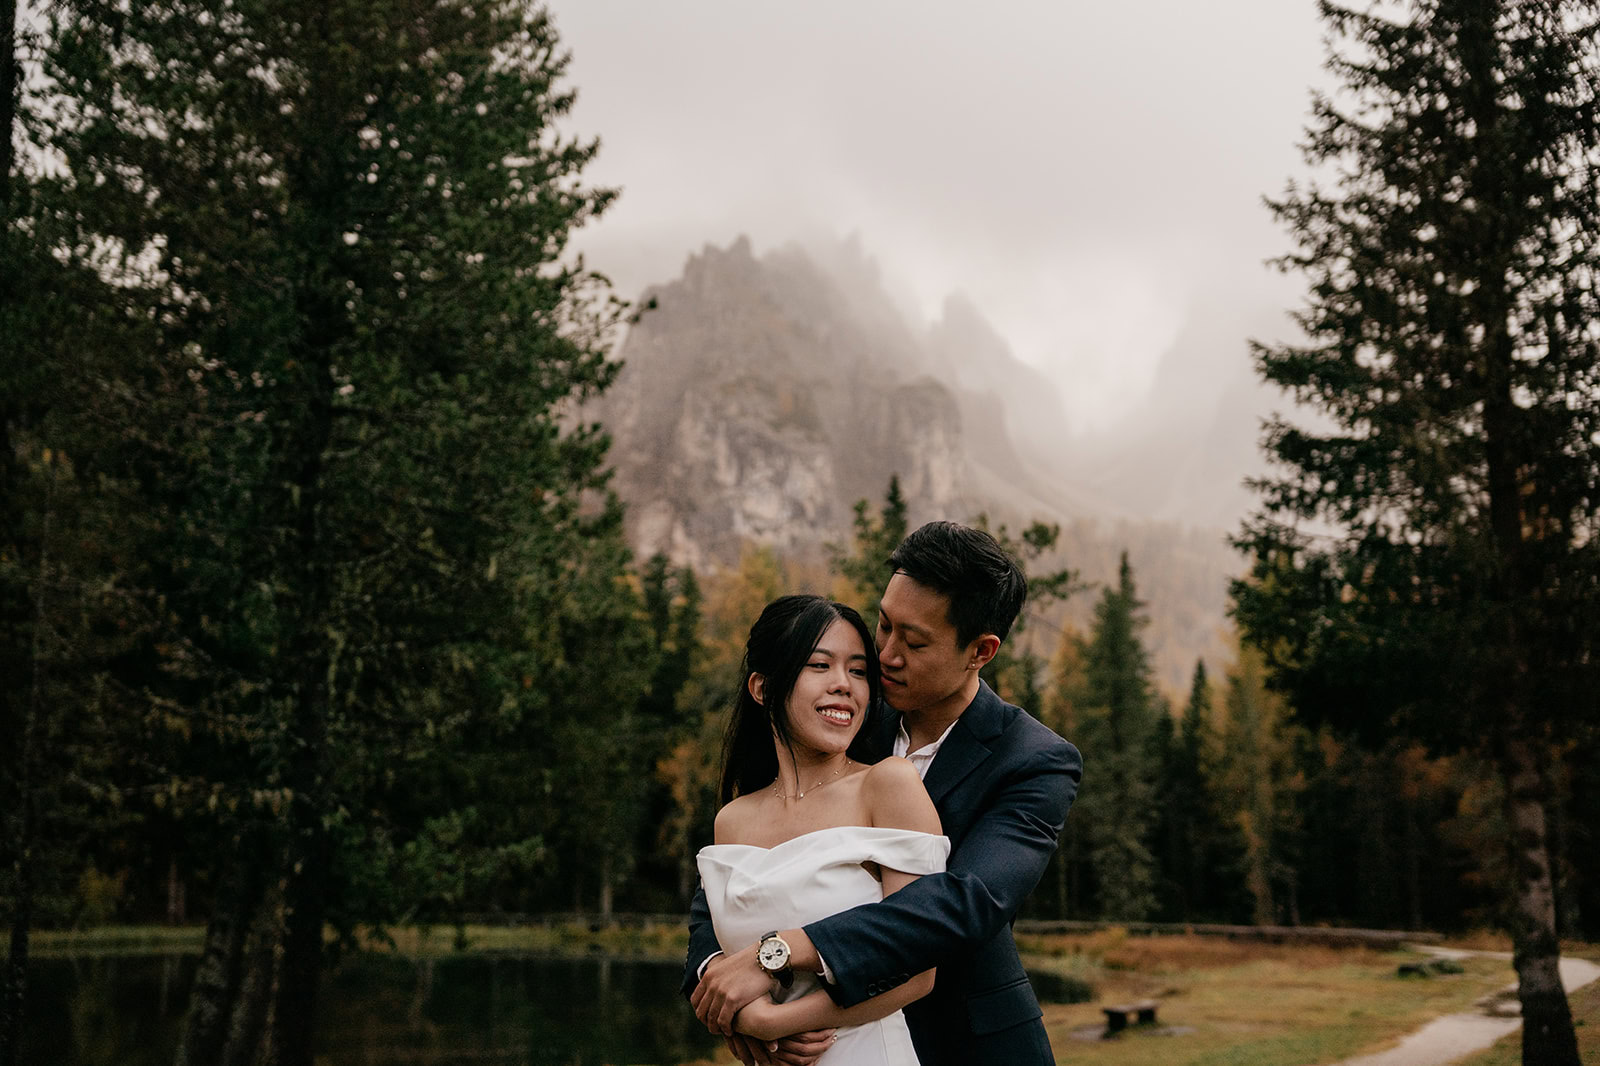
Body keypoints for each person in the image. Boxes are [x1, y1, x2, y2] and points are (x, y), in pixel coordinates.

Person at [685, 521, 1083, 1066]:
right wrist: (719, 982)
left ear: (981, 651)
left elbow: (964, 903)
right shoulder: (841, 716)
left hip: (970, 1046)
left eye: (914, 641)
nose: (886, 655)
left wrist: (775, 953)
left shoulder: (1034, 760)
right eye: (883, 625)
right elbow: (739, 873)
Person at [695, 593, 949, 1065]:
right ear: (762, 688)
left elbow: (918, 970)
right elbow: (720, 956)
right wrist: (742, 1018)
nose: (844, 685)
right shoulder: (731, 821)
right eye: (819, 665)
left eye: (857, 671)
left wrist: (772, 1023)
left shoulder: (887, 784)